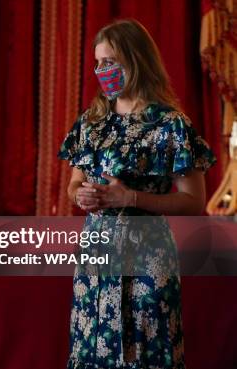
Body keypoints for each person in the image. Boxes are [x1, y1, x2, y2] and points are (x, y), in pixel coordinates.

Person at [58, 19, 216, 368]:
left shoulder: (170, 124)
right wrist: (81, 195)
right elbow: (73, 184)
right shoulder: (91, 122)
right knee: (93, 347)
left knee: (146, 350)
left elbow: (193, 202)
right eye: (98, 64)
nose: (102, 71)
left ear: (136, 60)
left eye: (110, 62)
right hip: (96, 254)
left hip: (147, 254)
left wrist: (129, 198)